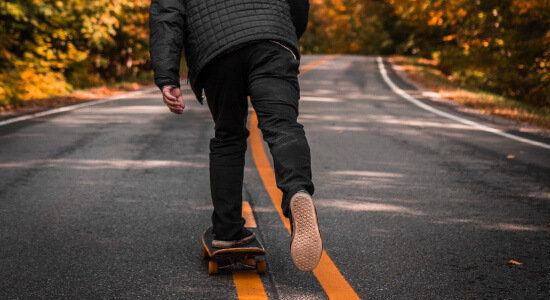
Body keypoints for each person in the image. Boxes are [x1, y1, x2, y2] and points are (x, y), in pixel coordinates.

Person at [149, 0, 322, 271]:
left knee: (228, 136)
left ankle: (228, 232)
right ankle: (297, 192)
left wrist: (167, 77)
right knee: (282, 126)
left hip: (216, 46)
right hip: (271, 38)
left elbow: (167, 17)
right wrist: (285, 32)